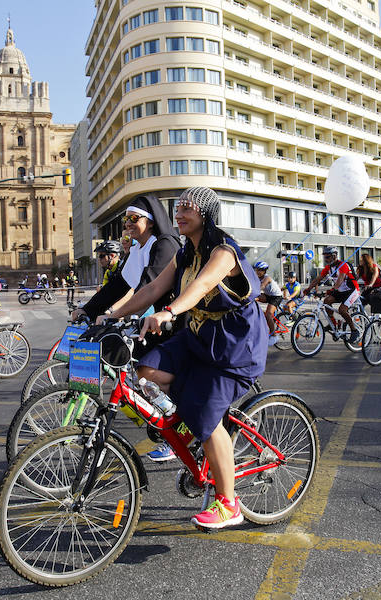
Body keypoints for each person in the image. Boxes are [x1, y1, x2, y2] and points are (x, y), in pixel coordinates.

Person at [109, 186, 268, 529]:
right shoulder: (185, 252)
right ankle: (194, 425)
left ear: (206, 214)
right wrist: (112, 314)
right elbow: (151, 289)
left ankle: (229, 503)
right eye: (177, 208)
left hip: (233, 346)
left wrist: (168, 312)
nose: (178, 214)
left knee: (204, 416)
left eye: (187, 209)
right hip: (197, 337)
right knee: (146, 370)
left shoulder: (224, 251)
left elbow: (200, 287)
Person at [72, 194, 181, 323]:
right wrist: (88, 310)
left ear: (151, 222)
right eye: (126, 219)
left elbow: (149, 287)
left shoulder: (164, 245)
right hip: (156, 321)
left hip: (177, 320)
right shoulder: (136, 249)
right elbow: (117, 285)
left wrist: (116, 315)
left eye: (134, 218)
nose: (128, 224)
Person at [301, 247, 361, 343]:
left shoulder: (343, 265)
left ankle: (354, 330)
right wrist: (308, 289)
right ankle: (333, 323)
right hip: (341, 291)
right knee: (327, 301)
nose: (326, 260)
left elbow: (340, 281)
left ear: (334, 256)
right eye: (324, 257)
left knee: (342, 310)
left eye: (327, 257)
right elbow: (318, 279)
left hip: (352, 291)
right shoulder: (328, 268)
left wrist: (331, 290)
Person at [253, 261, 284, 344]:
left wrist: (256, 289)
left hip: (276, 297)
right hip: (268, 295)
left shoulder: (267, 278)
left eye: (260, 270)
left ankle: (274, 335)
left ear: (265, 271)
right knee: (252, 299)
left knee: (268, 314)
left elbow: (262, 286)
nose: (258, 272)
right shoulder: (256, 278)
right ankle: (262, 315)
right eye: (257, 270)